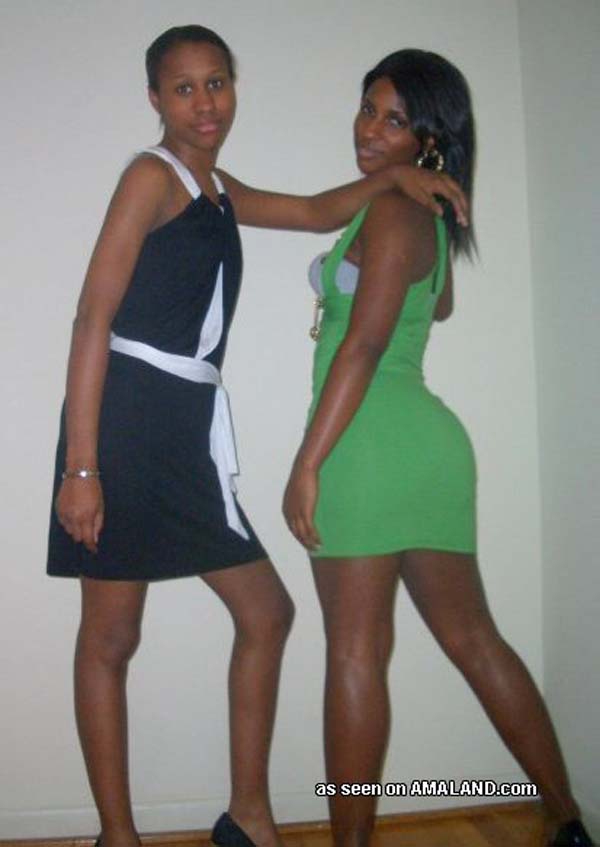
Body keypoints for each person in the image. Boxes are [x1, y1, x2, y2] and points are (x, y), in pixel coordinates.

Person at [47, 27, 469, 847]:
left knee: (267, 613)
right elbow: (93, 316)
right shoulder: (150, 177)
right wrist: (82, 467)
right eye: (184, 89)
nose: (205, 104)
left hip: (185, 426)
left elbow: (312, 213)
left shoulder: (215, 188)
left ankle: (247, 813)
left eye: (217, 83)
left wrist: (399, 179)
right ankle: (118, 835)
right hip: (125, 420)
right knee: (112, 633)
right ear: (155, 99)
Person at [283, 49, 594, 847]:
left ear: (428, 137)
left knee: (356, 653)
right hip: (426, 445)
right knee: (475, 639)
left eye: (394, 119)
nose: (369, 128)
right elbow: (437, 306)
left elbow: (362, 347)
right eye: (368, 107)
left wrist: (308, 463)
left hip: (362, 443)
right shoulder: (416, 212)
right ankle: (566, 818)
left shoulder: (392, 212)